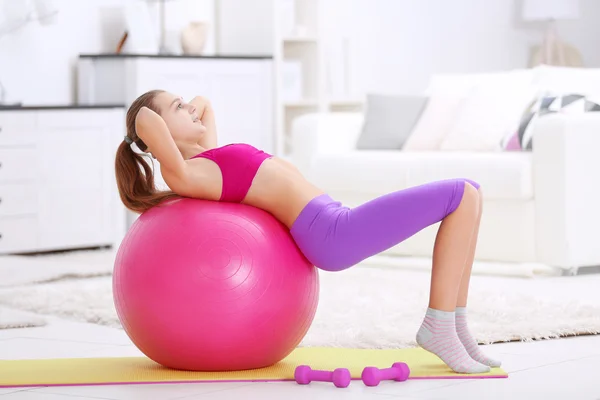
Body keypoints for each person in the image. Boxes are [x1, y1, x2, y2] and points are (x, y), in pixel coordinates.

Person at [115, 90, 501, 374]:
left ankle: (455, 325)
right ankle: (437, 325)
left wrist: (178, 112)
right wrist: (150, 122)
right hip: (331, 232)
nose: (190, 106)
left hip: (333, 218)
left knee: (473, 192)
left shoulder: (206, 158)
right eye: (177, 107)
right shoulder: (186, 174)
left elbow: (206, 102)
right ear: (157, 132)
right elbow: (150, 123)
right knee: (461, 194)